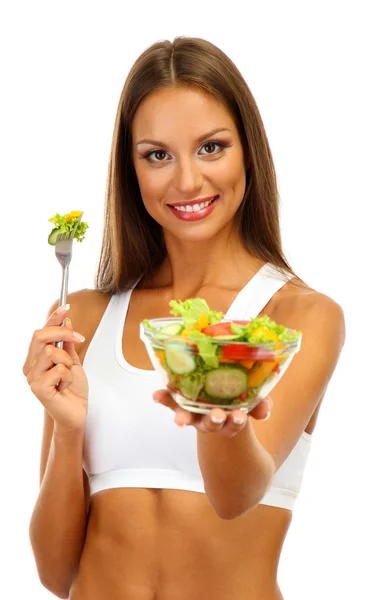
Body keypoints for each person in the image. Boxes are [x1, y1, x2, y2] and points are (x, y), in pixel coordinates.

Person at [23, 37, 345, 600]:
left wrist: (225, 423)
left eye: (211, 148)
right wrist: (69, 430)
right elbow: (54, 574)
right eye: (157, 155)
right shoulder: (87, 317)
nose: (188, 182)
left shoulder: (296, 317)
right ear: (132, 169)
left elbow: (235, 497)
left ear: (248, 150)